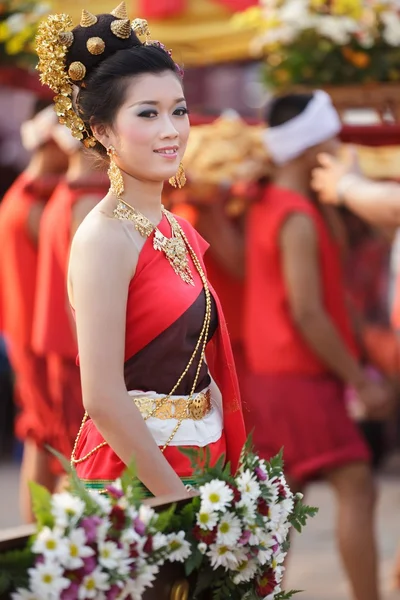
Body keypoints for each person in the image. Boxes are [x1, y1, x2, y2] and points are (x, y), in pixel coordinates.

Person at [36, 3, 246, 497]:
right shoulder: (104, 237)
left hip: (201, 457)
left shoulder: (175, 227)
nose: (171, 129)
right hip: (136, 477)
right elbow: (103, 396)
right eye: (147, 114)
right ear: (104, 131)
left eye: (178, 110)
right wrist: (175, 497)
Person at [243, 91, 392, 600]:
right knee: (356, 486)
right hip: (299, 377)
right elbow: (307, 311)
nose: (339, 144)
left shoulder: (270, 202)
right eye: (330, 135)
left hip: (272, 376)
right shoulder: (297, 215)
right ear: (310, 147)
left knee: (280, 503)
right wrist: (359, 380)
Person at [0, 101, 68, 521]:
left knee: (42, 439)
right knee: (68, 449)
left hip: (27, 339)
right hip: (47, 345)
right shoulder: (38, 202)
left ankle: (41, 551)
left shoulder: (23, 193)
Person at [32, 125, 108, 474]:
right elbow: (82, 295)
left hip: (68, 351)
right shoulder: (88, 200)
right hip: (77, 356)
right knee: (80, 468)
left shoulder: (68, 192)